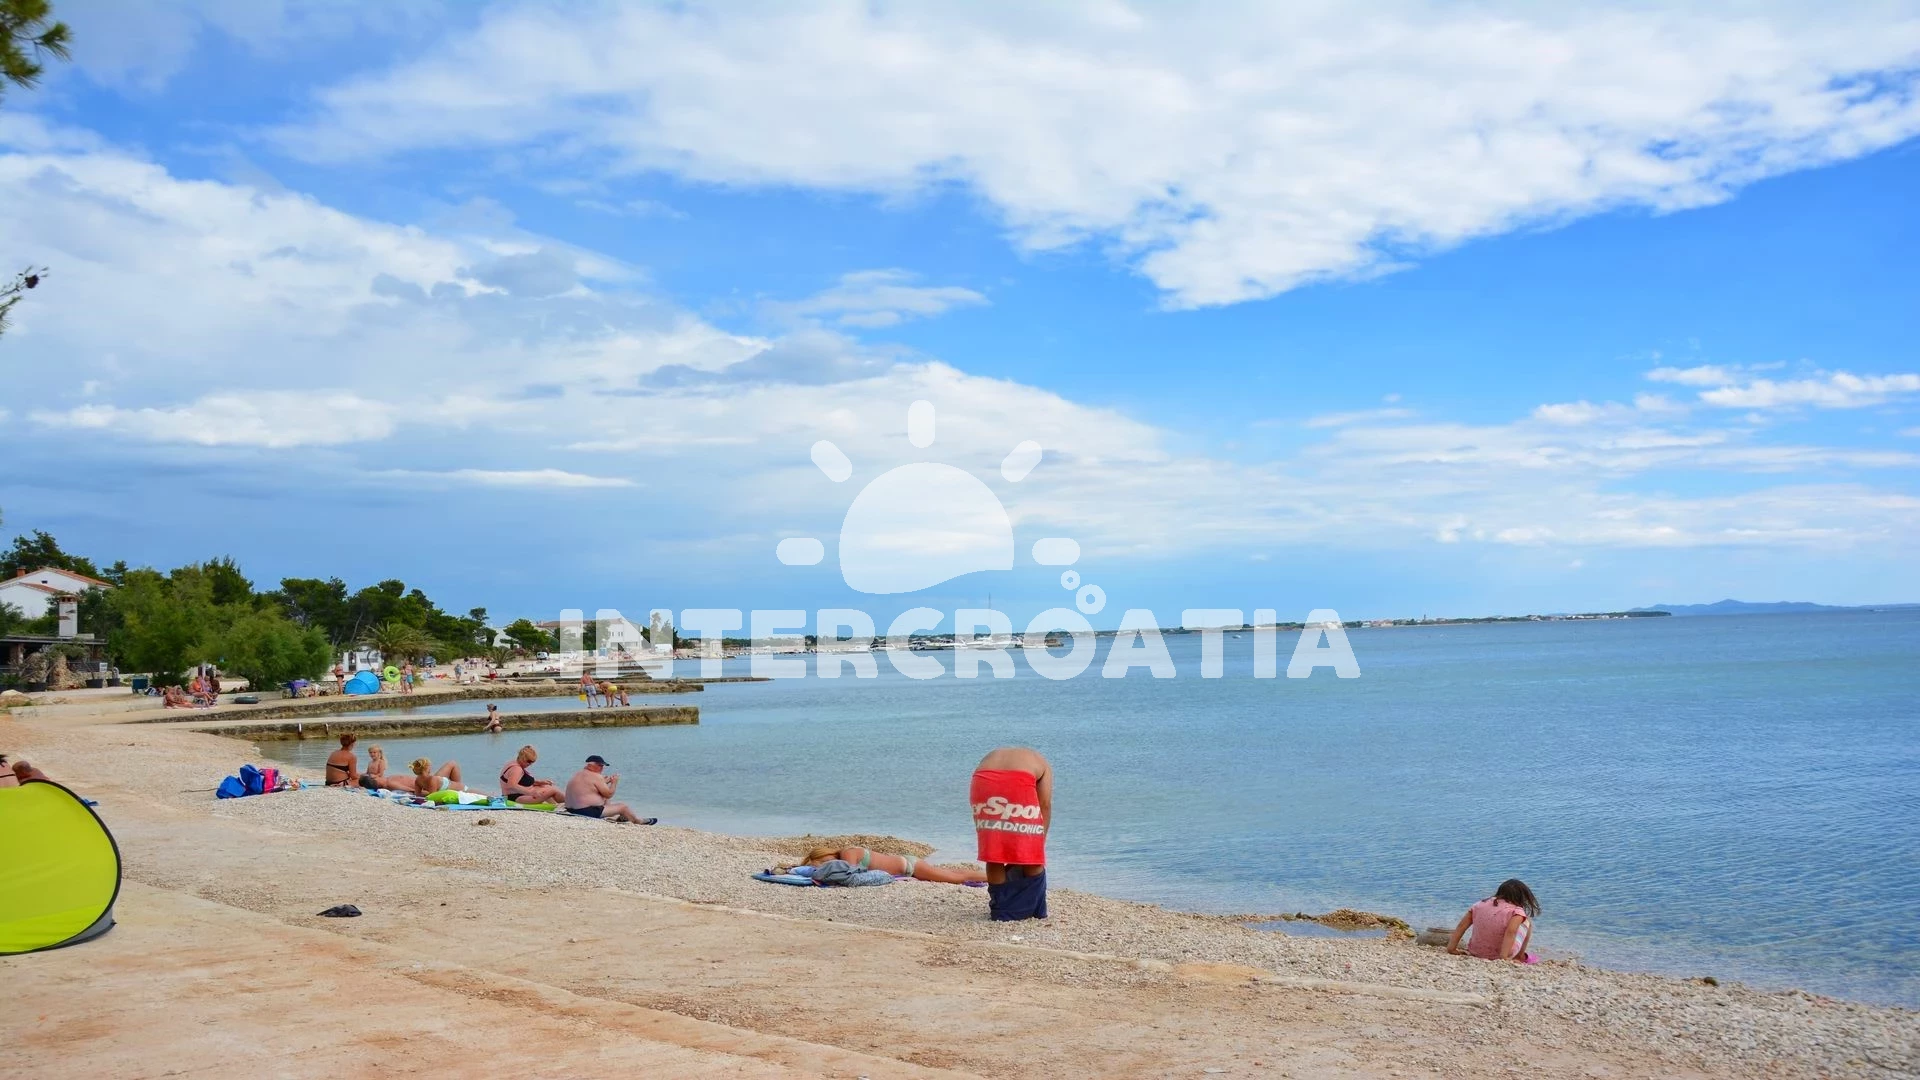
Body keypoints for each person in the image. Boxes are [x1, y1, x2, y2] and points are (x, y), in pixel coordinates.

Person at [970, 746, 1052, 920]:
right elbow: (1044, 804)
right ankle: (1033, 909)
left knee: (994, 852)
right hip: (1019, 778)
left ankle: (1001, 909)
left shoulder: (1012, 756)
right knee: (1032, 855)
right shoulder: (1043, 763)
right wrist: (1039, 841)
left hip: (982, 778)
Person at [792, 844, 987, 885]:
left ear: (826, 854)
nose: (825, 867)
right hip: (906, 864)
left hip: (909, 866)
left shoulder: (847, 853)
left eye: (823, 863)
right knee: (952, 872)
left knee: (956, 878)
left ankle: (995, 877)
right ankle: (992, 874)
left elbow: (847, 874)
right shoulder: (845, 854)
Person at [1447, 879, 1541, 962]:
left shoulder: (1479, 905)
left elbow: (1461, 926)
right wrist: (1503, 957)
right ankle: (1519, 956)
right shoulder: (1516, 911)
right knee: (1527, 922)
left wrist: (1451, 948)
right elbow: (1510, 932)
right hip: (1500, 955)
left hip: (1475, 952)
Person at [563, 754, 656, 824]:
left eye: (602, 766)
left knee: (603, 796)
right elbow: (609, 794)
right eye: (599, 765)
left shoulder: (578, 774)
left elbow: (590, 788)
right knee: (623, 806)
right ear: (590, 765)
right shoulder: (596, 776)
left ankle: (619, 816)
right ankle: (638, 821)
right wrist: (614, 782)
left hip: (571, 809)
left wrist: (605, 783)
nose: (602, 768)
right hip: (586, 811)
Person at [499, 745, 564, 804]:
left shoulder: (514, 763)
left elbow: (520, 781)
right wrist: (531, 793)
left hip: (517, 795)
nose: (530, 764)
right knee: (553, 790)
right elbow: (512, 786)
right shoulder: (516, 769)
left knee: (546, 787)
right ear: (522, 758)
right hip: (515, 797)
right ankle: (567, 804)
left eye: (532, 762)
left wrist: (539, 782)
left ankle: (555, 804)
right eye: (529, 761)